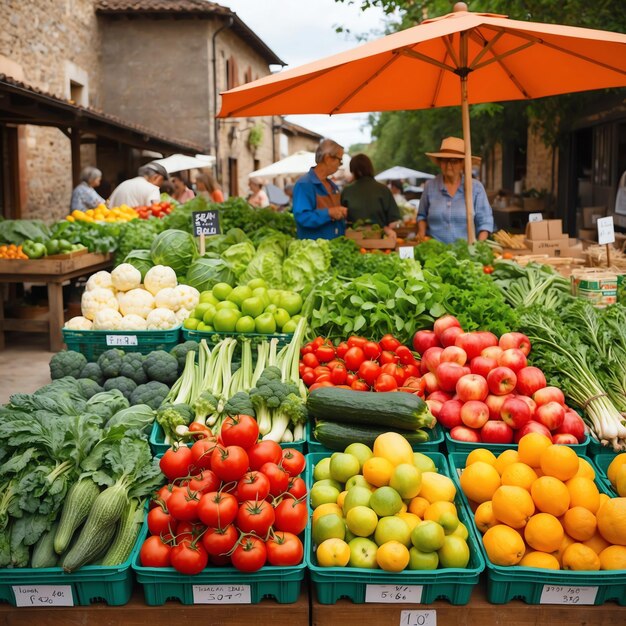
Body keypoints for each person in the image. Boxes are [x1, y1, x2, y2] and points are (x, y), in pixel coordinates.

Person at [417, 137, 494, 243]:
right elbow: (421, 215)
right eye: (444, 161)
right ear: (439, 163)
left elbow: (485, 222)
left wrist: (478, 247)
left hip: (466, 253)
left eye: (454, 161)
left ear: (463, 163)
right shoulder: (430, 186)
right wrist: (421, 233)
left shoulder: (475, 188)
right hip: (435, 252)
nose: (448, 165)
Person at [292, 138, 347, 239]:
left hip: (335, 246)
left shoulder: (333, 186)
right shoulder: (304, 184)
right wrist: (329, 213)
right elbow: (302, 217)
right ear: (327, 158)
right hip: (315, 250)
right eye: (340, 160)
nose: (340, 165)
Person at [340, 154, 401, 238]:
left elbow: (340, 218)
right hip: (380, 240)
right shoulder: (384, 190)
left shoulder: (347, 191)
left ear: (353, 170)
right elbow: (394, 222)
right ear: (370, 168)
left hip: (353, 240)